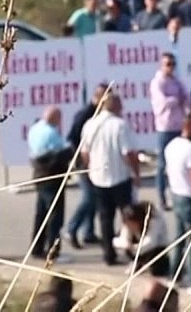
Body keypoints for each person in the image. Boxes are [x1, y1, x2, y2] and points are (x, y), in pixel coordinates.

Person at [79, 94, 140, 267]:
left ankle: (109, 254)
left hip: (98, 177)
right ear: (115, 106)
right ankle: (132, 250)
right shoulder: (120, 125)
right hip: (120, 176)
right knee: (128, 215)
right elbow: (128, 153)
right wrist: (136, 173)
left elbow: (84, 152)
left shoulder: (90, 124)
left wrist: (89, 168)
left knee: (105, 217)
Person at [164, 112, 191, 292]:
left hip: (176, 195)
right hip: (190, 197)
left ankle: (174, 276)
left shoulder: (171, 146)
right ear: (189, 126)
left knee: (179, 239)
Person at [66, 83, 109, 249]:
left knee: (95, 198)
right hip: (84, 163)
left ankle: (88, 232)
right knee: (89, 198)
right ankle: (72, 228)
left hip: (96, 162)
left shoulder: (101, 114)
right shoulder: (85, 115)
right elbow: (72, 138)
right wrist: (81, 159)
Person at [28, 107, 74, 262]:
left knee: (40, 214)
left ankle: (37, 248)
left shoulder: (35, 129)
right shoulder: (51, 133)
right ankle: (53, 252)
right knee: (55, 216)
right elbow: (59, 153)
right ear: (55, 118)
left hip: (39, 176)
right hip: (52, 177)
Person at [150, 52, 190, 209]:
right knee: (162, 164)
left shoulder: (177, 81)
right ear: (161, 65)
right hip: (165, 127)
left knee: (178, 163)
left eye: (173, 64)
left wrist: (183, 100)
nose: (171, 67)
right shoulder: (157, 82)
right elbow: (162, 102)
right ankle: (161, 197)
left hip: (178, 125)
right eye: (168, 64)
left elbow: (186, 97)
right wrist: (176, 99)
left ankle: (178, 194)